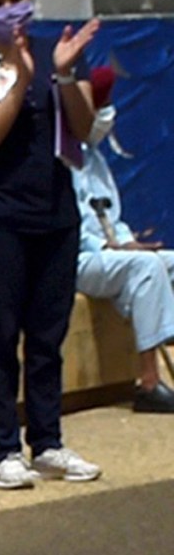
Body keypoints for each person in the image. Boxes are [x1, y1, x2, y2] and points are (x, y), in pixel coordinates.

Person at [0, 0, 103, 489]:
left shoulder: (56, 55)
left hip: (57, 216)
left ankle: (49, 442)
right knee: (1, 335)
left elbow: (82, 133)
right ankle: (3, 449)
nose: (9, 10)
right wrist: (18, 82)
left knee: (47, 337)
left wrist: (61, 74)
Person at [70, 66, 174, 412]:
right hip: (76, 258)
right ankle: (149, 381)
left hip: (112, 253)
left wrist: (127, 241)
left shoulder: (94, 158)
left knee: (166, 262)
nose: (105, 117)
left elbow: (111, 217)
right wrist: (110, 246)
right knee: (144, 268)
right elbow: (68, 228)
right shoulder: (57, 158)